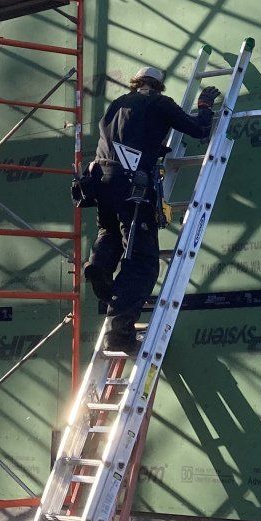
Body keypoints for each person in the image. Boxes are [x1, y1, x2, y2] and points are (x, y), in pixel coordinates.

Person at [80, 66, 220, 353]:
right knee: (142, 263)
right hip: (131, 188)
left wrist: (153, 149)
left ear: (136, 83)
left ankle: (100, 266)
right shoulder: (159, 103)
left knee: (109, 231)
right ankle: (119, 333)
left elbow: (124, 141)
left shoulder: (117, 105)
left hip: (99, 180)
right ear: (159, 86)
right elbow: (199, 129)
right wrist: (204, 106)